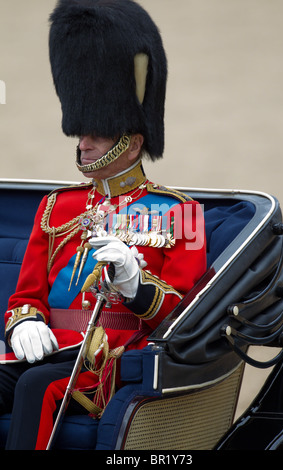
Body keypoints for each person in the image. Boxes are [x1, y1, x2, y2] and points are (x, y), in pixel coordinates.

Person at [0, 0, 207, 450]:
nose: (83, 141)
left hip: (110, 365)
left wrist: (136, 285)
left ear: (132, 142)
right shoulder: (57, 206)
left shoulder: (180, 212)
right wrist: (23, 324)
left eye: (97, 131)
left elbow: (184, 317)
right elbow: (25, 296)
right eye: (82, 130)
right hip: (50, 350)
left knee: (37, 386)